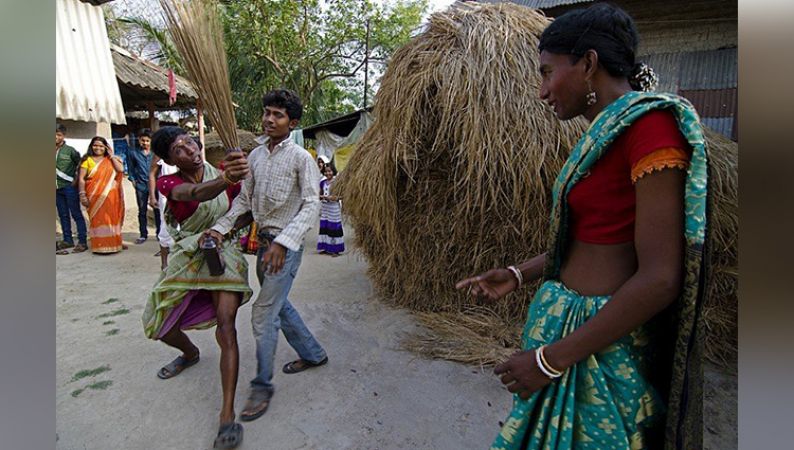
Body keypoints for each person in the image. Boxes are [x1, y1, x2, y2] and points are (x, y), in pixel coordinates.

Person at [455, 4, 709, 449]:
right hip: (569, 331)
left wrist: (551, 360)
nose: (541, 91)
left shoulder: (651, 129)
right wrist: (519, 274)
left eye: (547, 72)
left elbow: (660, 278)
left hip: (598, 346)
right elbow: (594, 236)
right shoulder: (604, 134)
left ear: (588, 64)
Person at [206, 89, 328, 423]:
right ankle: (313, 354)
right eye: (267, 113)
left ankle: (262, 385)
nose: (269, 119)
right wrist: (219, 228)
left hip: (282, 250)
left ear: (293, 122)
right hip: (263, 245)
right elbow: (245, 201)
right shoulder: (256, 156)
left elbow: (311, 204)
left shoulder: (302, 158)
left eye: (278, 115)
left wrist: (283, 242)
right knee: (279, 306)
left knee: (263, 314)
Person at [142, 126, 253, 449]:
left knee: (226, 326)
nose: (189, 150)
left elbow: (244, 214)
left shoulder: (223, 174)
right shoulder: (169, 182)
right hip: (189, 252)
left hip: (224, 252)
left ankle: (227, 416)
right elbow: (195, 195)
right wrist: (227, 179)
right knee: (161, 326)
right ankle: (189, 353)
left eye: (190, 141)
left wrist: (223, 230)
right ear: (169, 159)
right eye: (179, 149)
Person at [77, 136, 126, 254]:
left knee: (110, 218)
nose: (97, 148)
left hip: (110, 195)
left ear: (106, 147)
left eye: (101, 146)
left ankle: (114, 243)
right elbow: (82, 179)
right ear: (91, 146)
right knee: (97, 219)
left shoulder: (110, 160)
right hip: (93, 194)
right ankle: (100, 245)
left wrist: (112, 155)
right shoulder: (87, 160)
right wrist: (82, 194)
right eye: (95, 145)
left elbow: (120, 169)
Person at [55, 124, 88, 254]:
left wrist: (76, 180)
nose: (55, 137)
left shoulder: (70, 151)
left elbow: (80, 165)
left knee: (76, 214)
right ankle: (67, 240)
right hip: (56, 188)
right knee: (63, 215)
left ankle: (82, 241)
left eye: (58, 135)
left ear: (63, 136)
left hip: (69, 187)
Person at [127, 128, 160, 244]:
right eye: (143, 140)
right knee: (142, 210)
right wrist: (133, 180)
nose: (145, 143)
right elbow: (130, 169)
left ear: (151, 141)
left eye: (147, 141)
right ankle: (143, 234)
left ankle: (159, 233)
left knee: (157, 209)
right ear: (139, 140)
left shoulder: (156, 154)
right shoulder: (133, 153)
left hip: (156, 185)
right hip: (141, 185)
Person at [149, 147, 179, 270]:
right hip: (166, 194)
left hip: (185, 192)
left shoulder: (186, 152)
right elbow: (152, 174)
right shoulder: (160, 154)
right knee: (166, 224)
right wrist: (152, 196)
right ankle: (164, 263)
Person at [317, 164, 344, 256]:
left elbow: (342, 195)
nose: (328, 173)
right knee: (324, 227)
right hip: (325, 208)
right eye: (326, 171)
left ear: (334, 171)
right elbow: (319, 194)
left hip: (334, 209)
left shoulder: (337, 182)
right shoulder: (322, 183)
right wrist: (321, 197)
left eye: (330, 171)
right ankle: (325, 247)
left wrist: (335, 198)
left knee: (334, 227)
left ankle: (335, 249)